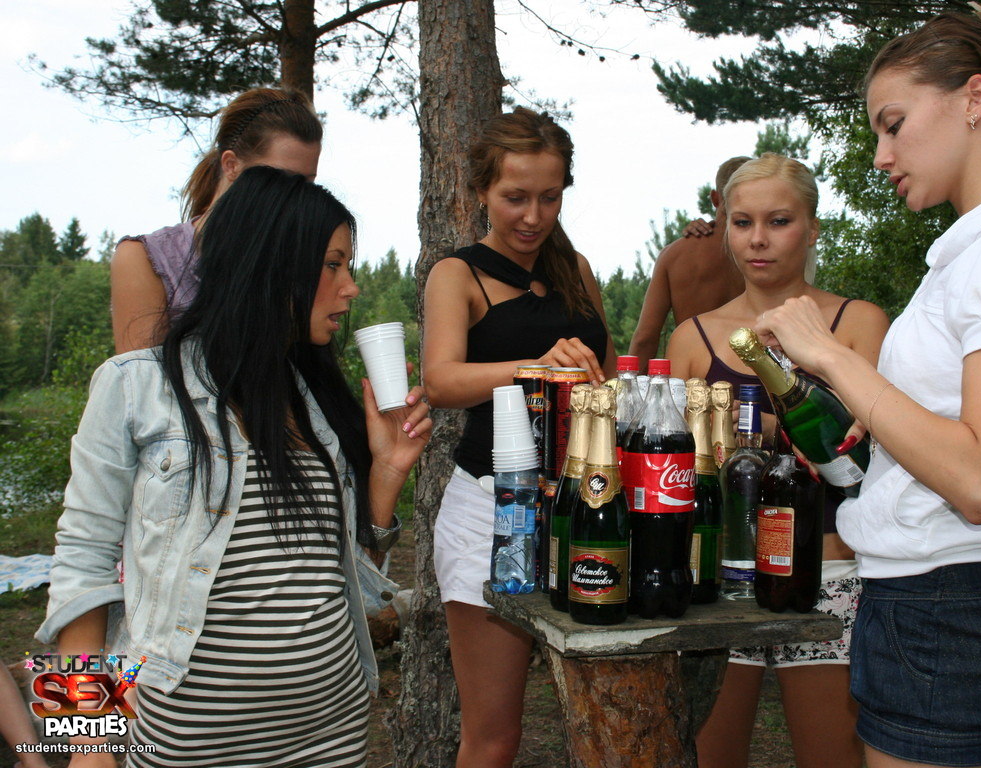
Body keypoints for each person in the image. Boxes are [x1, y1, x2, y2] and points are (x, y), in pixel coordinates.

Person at [753, 13, 981, 768]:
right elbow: (956, 439)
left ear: (974, 98)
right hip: (944, 600)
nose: (880, 155)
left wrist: (830, 356)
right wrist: (877, 424)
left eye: (893, 125)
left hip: (949, 608)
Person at [36, 166, 431, 767]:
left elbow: (344, 577)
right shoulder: (135, 386)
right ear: (270, 262)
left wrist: (385, 473)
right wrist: (85, 745)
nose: (350, 287)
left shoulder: (317, 400)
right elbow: (80, 566)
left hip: (331, 735)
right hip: (188, 746)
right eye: (333, 265)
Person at [668, 152, 889, 768]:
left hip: (830, 568)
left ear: (813, 226)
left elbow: (870, 451)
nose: (758, 239)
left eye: (779, 220)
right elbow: (679, 468)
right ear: (725, 228)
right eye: (742, 222)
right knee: (708, 755)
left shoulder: (856, 324)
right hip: (722, 578)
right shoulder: (694, 337)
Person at [423, 106, 616, 767]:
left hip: (582, 508)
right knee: (495, 734)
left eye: (549, 197)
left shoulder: (575, 268)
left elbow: (607, 373)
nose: (533, 215)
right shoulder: (459, 275)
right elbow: (442, 381)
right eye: (515, 198)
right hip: (489, 511)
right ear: (481, 190)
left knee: (607, 716)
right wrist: (535, 367)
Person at [111, 87, 323, 353]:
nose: (295, 197)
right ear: (231, 165)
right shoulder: (147, 258)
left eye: (307, 184)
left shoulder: (295, 258)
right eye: (280, 180)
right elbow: (138, 386)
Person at [627, 157, 749, 371]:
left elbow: (645, 339)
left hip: (691, 381)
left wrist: (626, 397)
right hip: (754, 382)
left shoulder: (674, 255)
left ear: (715, 198)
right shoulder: (766, 254)